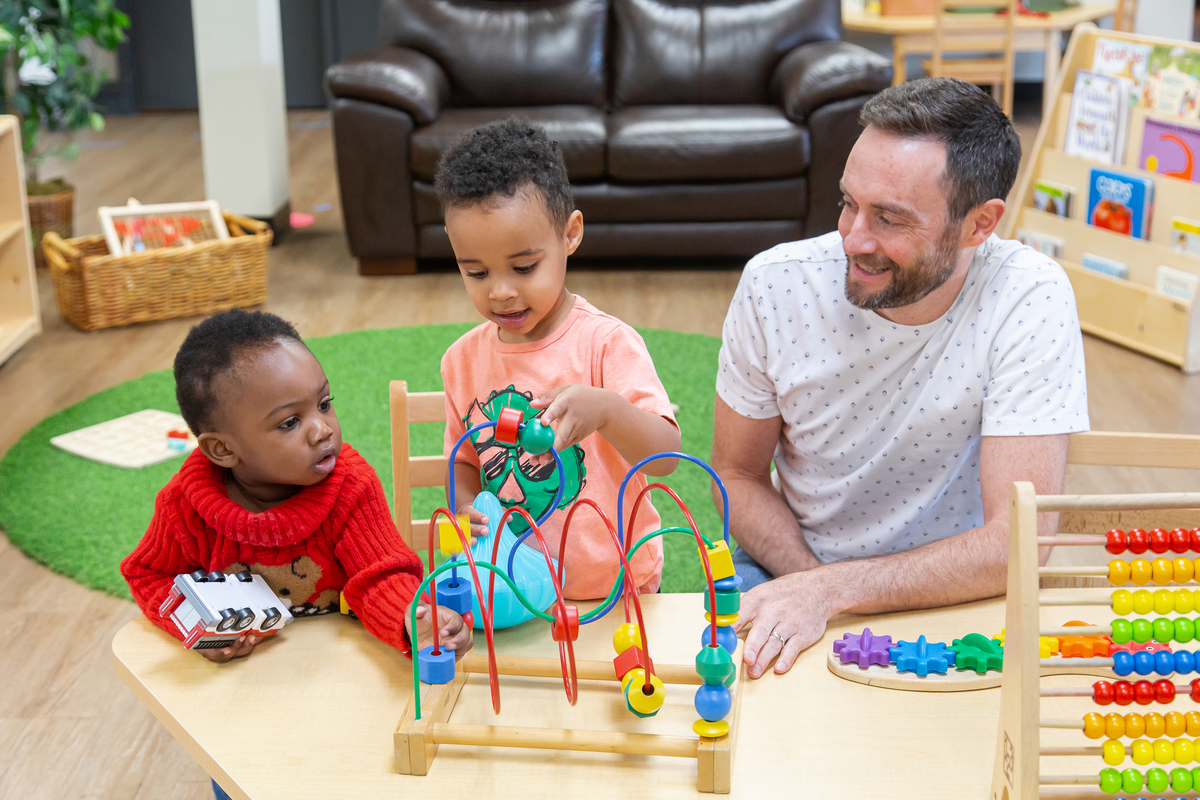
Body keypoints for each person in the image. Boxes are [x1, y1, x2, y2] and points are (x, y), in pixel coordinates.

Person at [712, 78, 1090, 679]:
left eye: (889, 219)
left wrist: (836, 593)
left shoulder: (1029, 297)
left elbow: (1019, 542)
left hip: (959, 589)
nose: (853, 238)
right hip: (793, 564)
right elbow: (736, 476)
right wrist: (815, 586)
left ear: (980, 224)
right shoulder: (775, 285)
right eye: (848, 203)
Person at [120, 309, 471, 662]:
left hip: (338, 664)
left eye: (324, 404)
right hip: (245, 679)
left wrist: (413, 619)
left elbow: (381, 576)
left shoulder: (351, 486)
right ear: (223, 449)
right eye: (289, 422)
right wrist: (202, 633)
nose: (323, 430)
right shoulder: (183, 506)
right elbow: (149, 575)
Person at [435, 118, 681, 599]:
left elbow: (666, 457)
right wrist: (465, 507)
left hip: (616, 590)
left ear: (570, 234)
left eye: (524, 267)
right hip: (513, 592)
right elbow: (463, 462)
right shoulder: (461, 361)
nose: (501, 291)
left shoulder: (607, 344)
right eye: (476, 272)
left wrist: (608, 410)